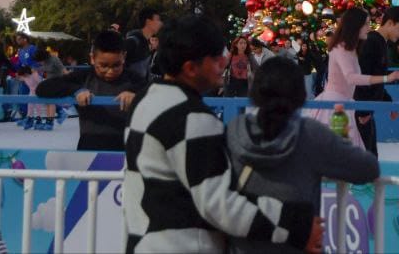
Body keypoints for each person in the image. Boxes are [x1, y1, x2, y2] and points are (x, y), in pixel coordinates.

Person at [123, 14, 320, 253]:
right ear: (191, 68)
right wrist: (296, 225)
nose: (224, 62)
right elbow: (219, 205)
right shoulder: (191, 118)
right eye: (216, 58)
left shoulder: (146, 100)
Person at [227, 56, 378, 254]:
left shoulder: (234, 131)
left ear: (255, 91)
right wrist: (340, 140)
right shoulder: (309, 134)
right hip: (297, 244)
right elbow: (368, 168)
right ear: (299, 95)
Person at [37, 30, 147, 151]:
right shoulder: (83, 77)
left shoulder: (133, 79)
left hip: (125, 153)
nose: (110, 71)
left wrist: (135, 92)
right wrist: (76, 90)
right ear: (92, 58)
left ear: (124, 57)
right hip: (89, 152)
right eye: (103, 65)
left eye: (116, 65)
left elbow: (151, 89)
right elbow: (42, 88)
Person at [312, 8, 399, 146]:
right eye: (366, 24)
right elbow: (352, 78)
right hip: (335, 106)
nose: (369, 27)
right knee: (339, 151)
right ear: (355, 25)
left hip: (346, 105)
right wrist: (387, 78)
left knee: (350, 152)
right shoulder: (341, 48)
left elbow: (357, 78)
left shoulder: (352, 49)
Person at [354, 6, 399, 156]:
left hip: (365, 110)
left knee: (370, 158)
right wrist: (363, 111)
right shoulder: (372, 42)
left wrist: (389, 102)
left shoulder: (380, 43)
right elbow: (362, 77)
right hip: (360, 111)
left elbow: (376, 80)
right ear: (390, 23)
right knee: (365, 159)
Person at [125, 8, 164, 83]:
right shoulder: (132, 42)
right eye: (158, 20)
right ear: (148, 22)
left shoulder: (146, 43)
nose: (161, 23)